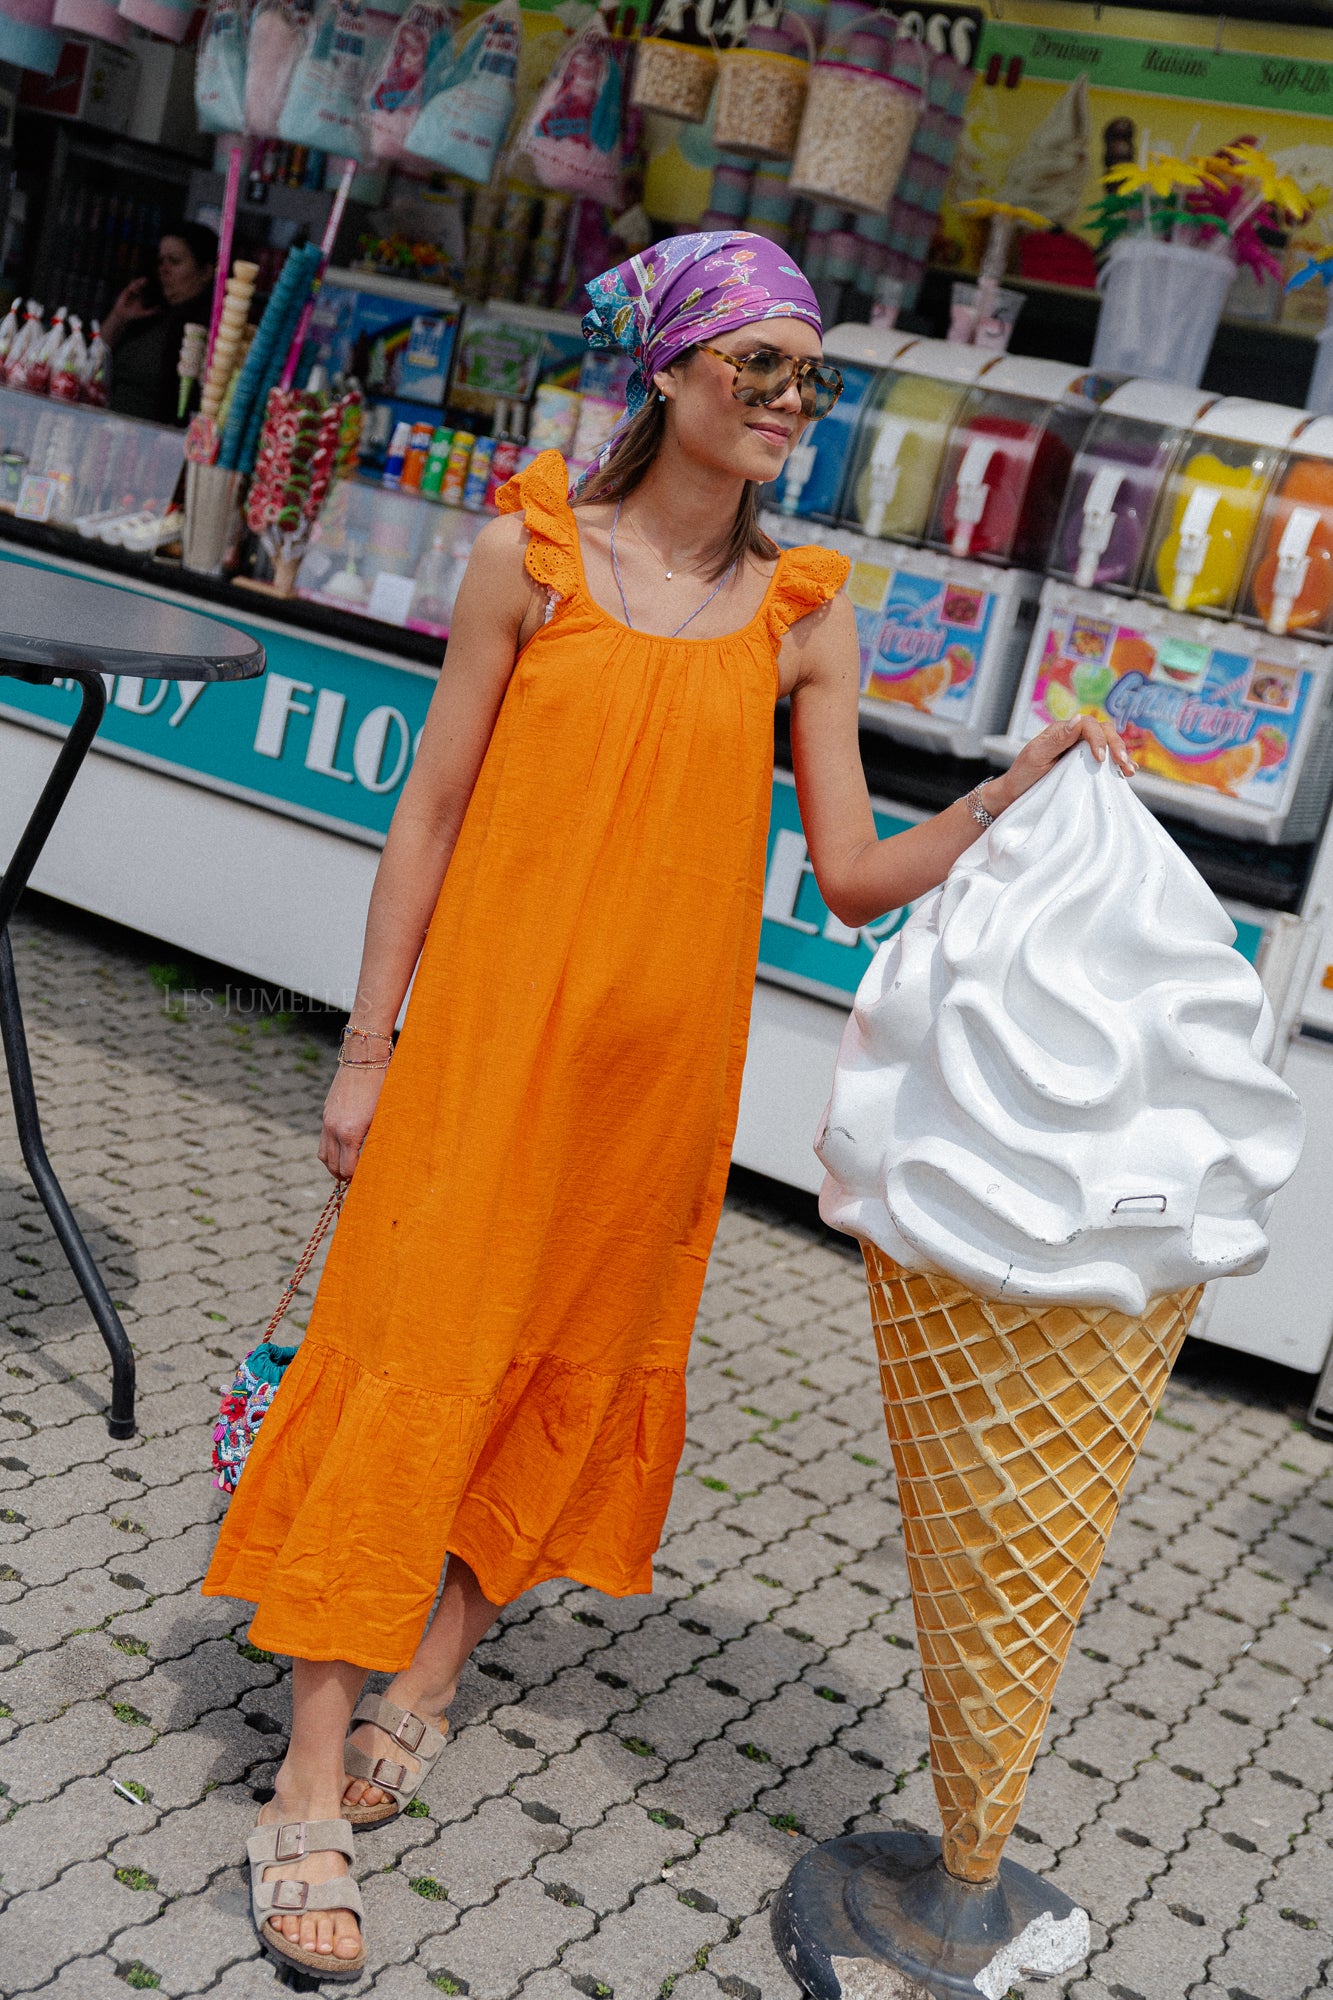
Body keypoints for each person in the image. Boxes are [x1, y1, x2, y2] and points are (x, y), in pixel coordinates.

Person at [201, 231, 1131, 1983]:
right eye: (759, 367)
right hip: (479, 1054)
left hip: (655, 1089)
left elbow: (852, 877)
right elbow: (428, 814)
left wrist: (1004, 796)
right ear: (673, 373)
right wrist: (364, 1047)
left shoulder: (806, 616)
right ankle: (304, 1781)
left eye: (811, 376)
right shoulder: (525, 556)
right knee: (400, 1365)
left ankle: (438, 1669)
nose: (792, 401)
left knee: (562, 1365)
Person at [102, 221, 218, 426]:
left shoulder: (208, 332)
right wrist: (119, 316)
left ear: (205, 273)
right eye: (161, 261)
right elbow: (94, 361)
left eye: (174, 261)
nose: (163, 270)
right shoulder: (150, 313)